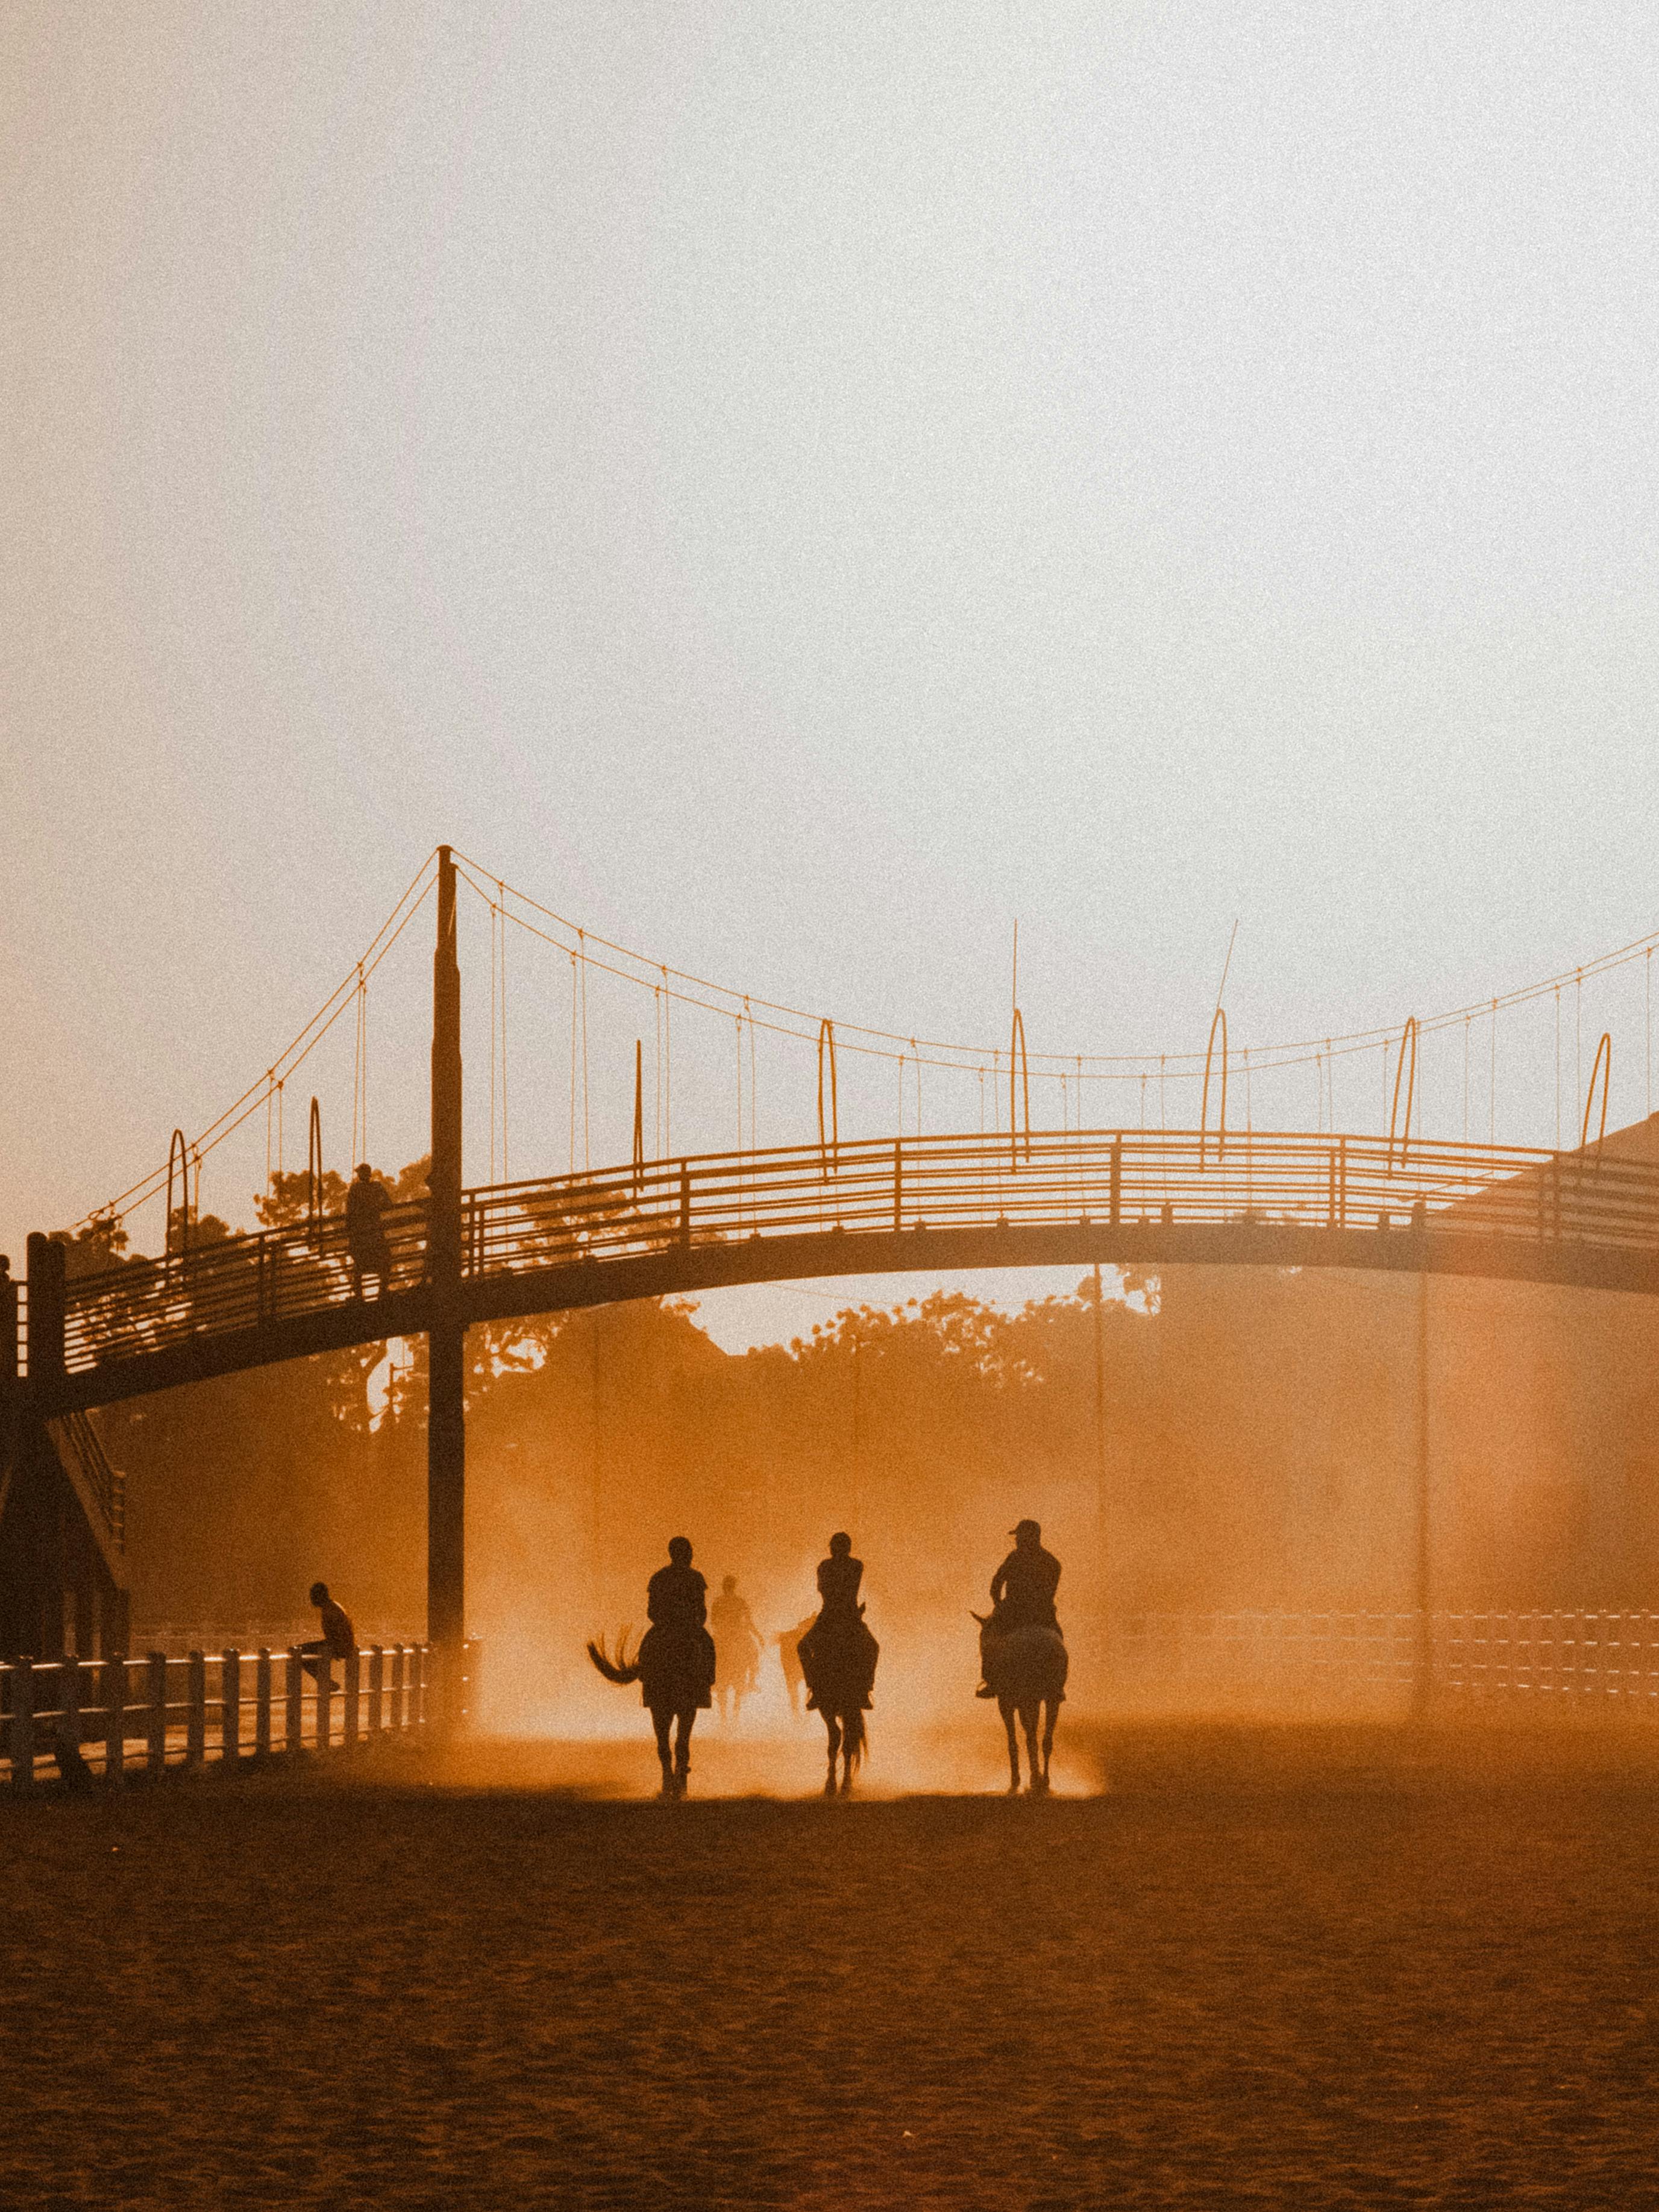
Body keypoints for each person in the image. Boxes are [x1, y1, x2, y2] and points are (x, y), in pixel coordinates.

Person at [978, 1518, 1062, 1696]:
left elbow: (996, 1583)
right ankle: (1058, 1684)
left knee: (989, 1636)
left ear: (1026, 1537)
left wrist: (998, 1604)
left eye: (1018, 1536)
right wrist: (1045, 1600)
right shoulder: (1050, 1560)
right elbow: (1054, 1581)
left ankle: (991, 1681)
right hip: (1042, 1612)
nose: (1016, 1540)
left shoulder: (1014, 1558)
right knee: (1058, 1637)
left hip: (1013, 1611)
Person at [797, 1532, 878, 1711]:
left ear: (833, 1548)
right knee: (873, 1648)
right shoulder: (857, 1565)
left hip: (829, 1617)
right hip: (851, 1617)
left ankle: (814, 1688)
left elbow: (823, 1590)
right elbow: (850, 1589)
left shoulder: (824, 1566)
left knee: (802, 1647)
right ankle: (866, 1688)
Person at [641, 1536, 717, 1703]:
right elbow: (702, 1610)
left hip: (663, 1627)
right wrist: (695, 1624)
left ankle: (646, 1680)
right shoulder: (696, 1578)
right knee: (708, 1645)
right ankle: (708, 1682)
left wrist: (664, 1622)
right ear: (687, 1554)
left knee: (646, 1648)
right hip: (690, 1627)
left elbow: (651, 1611)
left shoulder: (659, 1577)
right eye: (690, 1552)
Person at [709, 1573, 762, 1720]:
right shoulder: (740, 1601)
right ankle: (751, 1681)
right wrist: (757, 1635)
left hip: (722, 1634)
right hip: (738, 1634)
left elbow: (713, 1621)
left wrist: (723, 1628)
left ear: (724, 1587)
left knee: (708, 1653)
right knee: (753, 1651)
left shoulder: (718, 1601)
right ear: (734, 1587)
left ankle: (710, 1680)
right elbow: (749, 1621)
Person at [299, 1580, 357, 1695]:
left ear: (320, 1596)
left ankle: (325, 1682)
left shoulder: (330, 1610)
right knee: (305, 1652)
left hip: (339, 1645)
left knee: (299, 1652)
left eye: (313, 1596)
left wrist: (334, 1648)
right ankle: (325, 1681)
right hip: (343, 1644)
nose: (311, 1599)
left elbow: (338, 1634)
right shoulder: (333, 1606)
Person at [345, 1164, 394, 1297]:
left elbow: (349, 1212)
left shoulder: (355, 1189)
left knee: (360, 1266)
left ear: (360, 1175)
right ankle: (382, 1292)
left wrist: (350, 1233)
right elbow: (389, 1204)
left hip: (362, 1234)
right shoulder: (376, 1187)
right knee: (384, 1261)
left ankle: (360, 1295)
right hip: (375, 1232)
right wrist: (376, 1206)